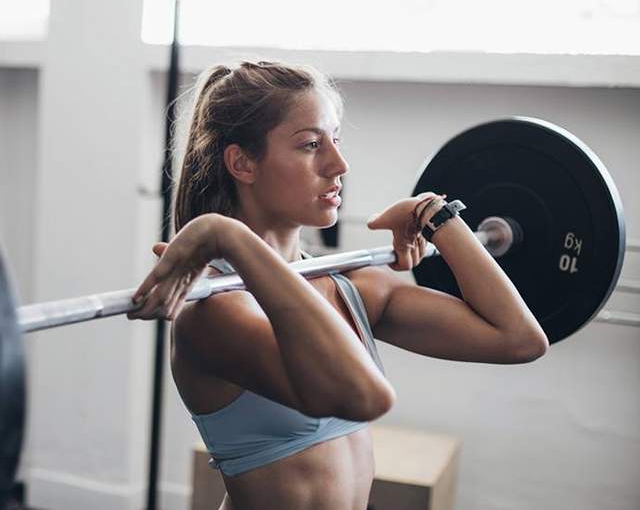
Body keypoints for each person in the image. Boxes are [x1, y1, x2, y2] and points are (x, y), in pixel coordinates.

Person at [129, 61, 548, 510]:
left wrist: (436, 216)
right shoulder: (216, 311)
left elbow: (519, 340)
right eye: (311, 144)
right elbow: (363, 396)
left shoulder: (348, 287)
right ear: (242, 163)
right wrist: (229, 236)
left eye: (336, 139)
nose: (338, 164)